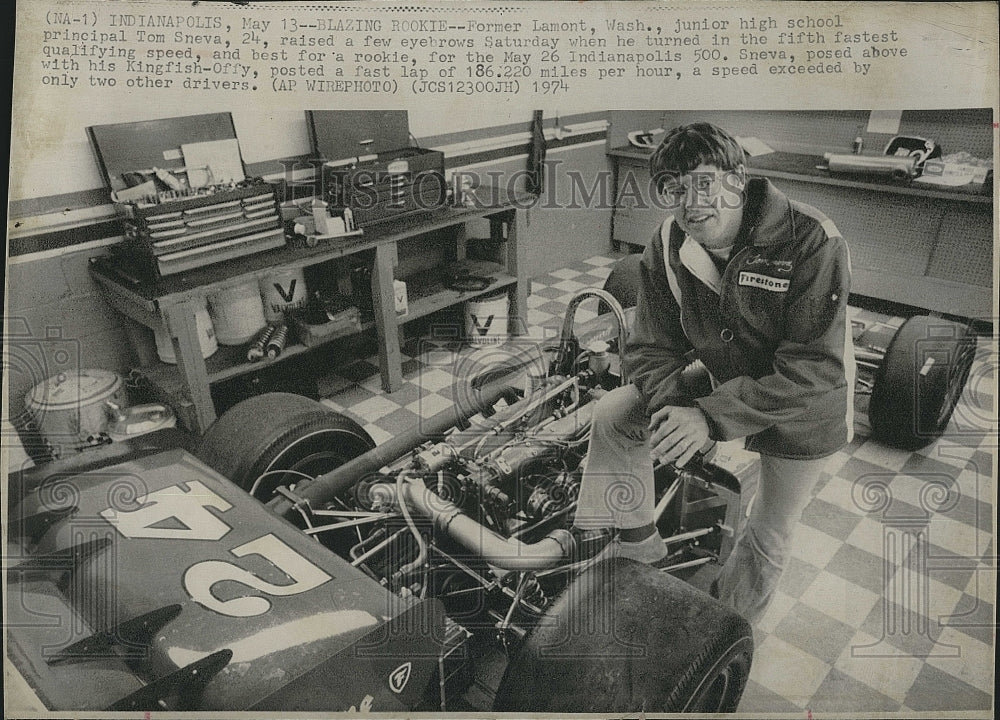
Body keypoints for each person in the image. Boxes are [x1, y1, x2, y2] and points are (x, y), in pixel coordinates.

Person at [572, 122, 855, 624]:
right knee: (616, 412)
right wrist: (676, 406)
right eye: (674, 187)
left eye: (704, 183)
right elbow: (649, 348)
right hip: (724, 377)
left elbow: (813, 370)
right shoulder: (664, 243)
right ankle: (637, 548)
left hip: (803, 402)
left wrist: (709, 418)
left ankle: (725, 632)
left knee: (770, 529)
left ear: (738, 179)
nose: (691, 201)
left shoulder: (812, 239)